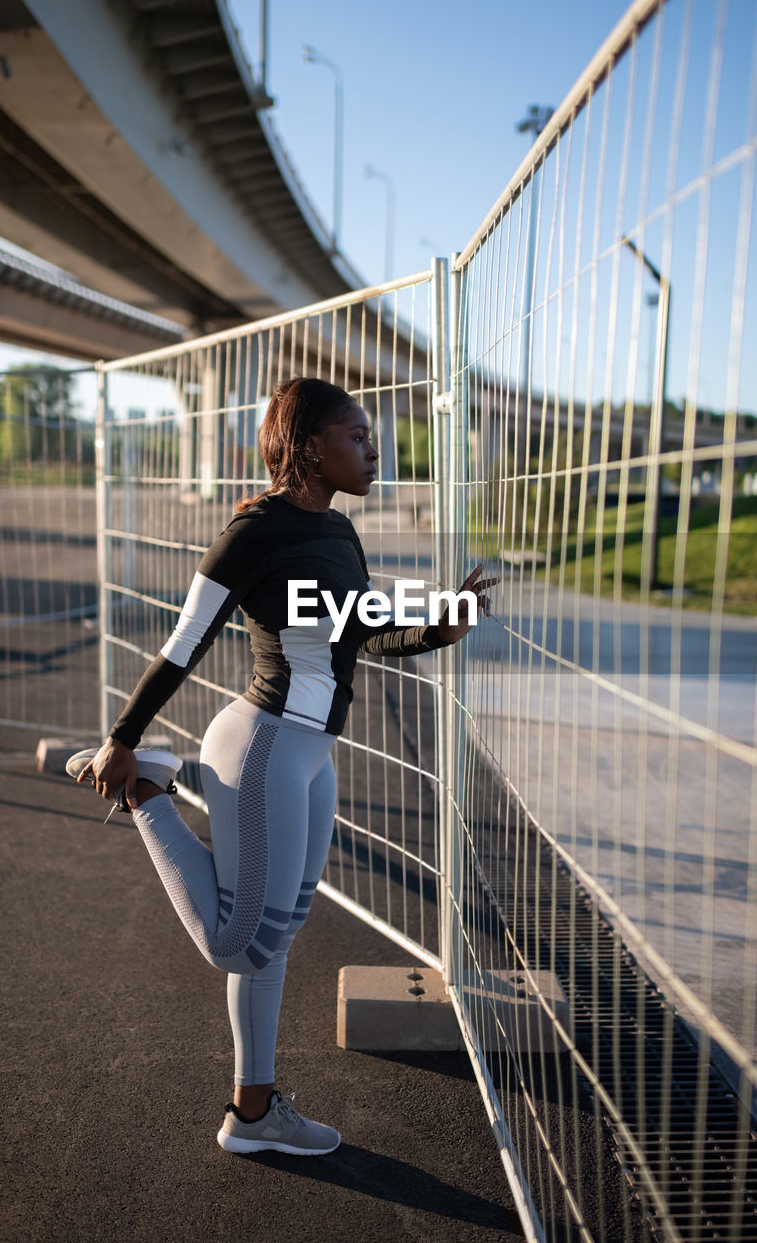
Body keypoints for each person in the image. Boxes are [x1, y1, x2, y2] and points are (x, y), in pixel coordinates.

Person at [69, 376, 493, 1157]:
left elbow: (356, 635)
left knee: (278, 939)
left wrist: (437, 631)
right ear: (307, 447)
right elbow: (183, 643)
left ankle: (255, 1113)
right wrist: (123, 736)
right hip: (262, 747)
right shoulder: (250, 533)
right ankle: (150, 790)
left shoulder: (338, 533)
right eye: (357, 436)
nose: (374, 450)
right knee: (238, 945)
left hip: (311, 757)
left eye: (371, 437)